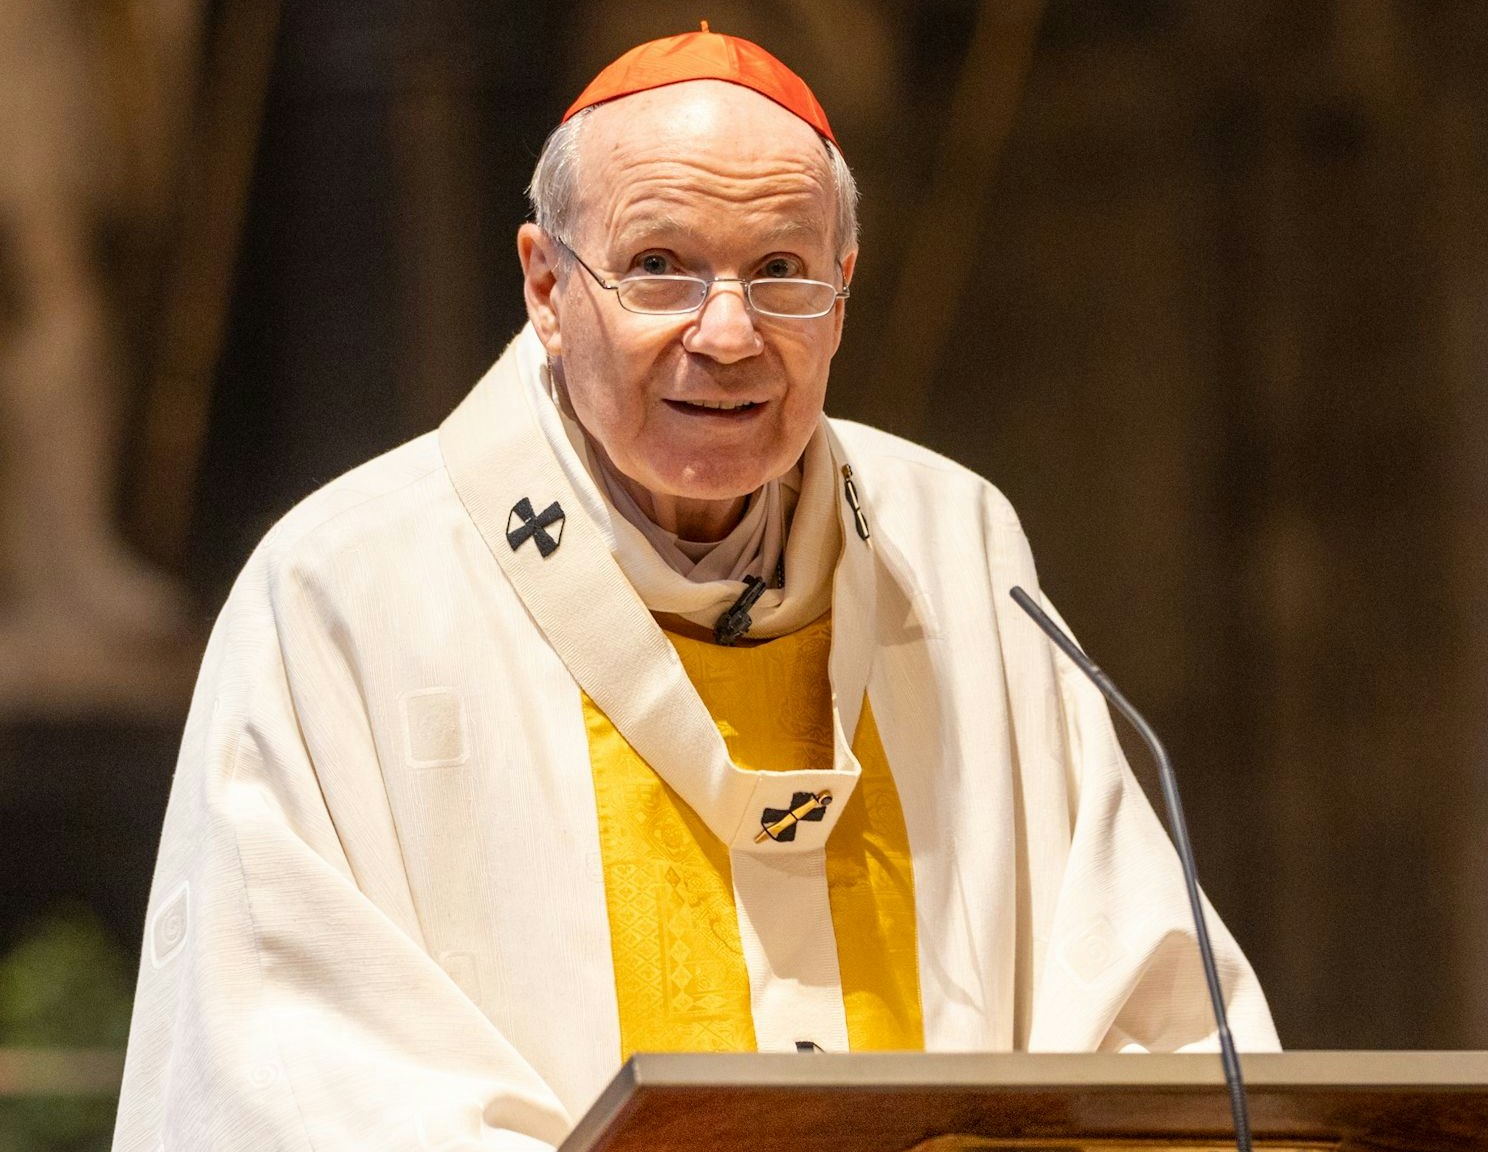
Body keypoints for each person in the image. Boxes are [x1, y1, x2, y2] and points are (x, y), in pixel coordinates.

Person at [111, 27, 1275, 1150]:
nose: (726, 334)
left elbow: (1143, 1024)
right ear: (545, 286)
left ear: (842, 290)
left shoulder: (957, 550)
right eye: (659, 268)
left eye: (781, 274)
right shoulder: (345, 590)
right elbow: (289, 1062)